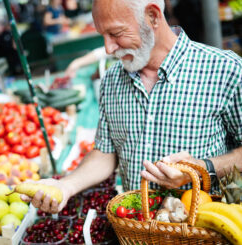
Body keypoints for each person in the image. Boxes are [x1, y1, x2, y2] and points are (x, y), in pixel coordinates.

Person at [22, 0, 242, 214]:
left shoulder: (225, 70)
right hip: (134, 230)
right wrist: (66, 186)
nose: (108, 48)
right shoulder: (111, 80)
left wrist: (201, 168)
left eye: (116, 34)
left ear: (153, 16)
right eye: (103, 36)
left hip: (201, 230)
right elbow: (105, 152)